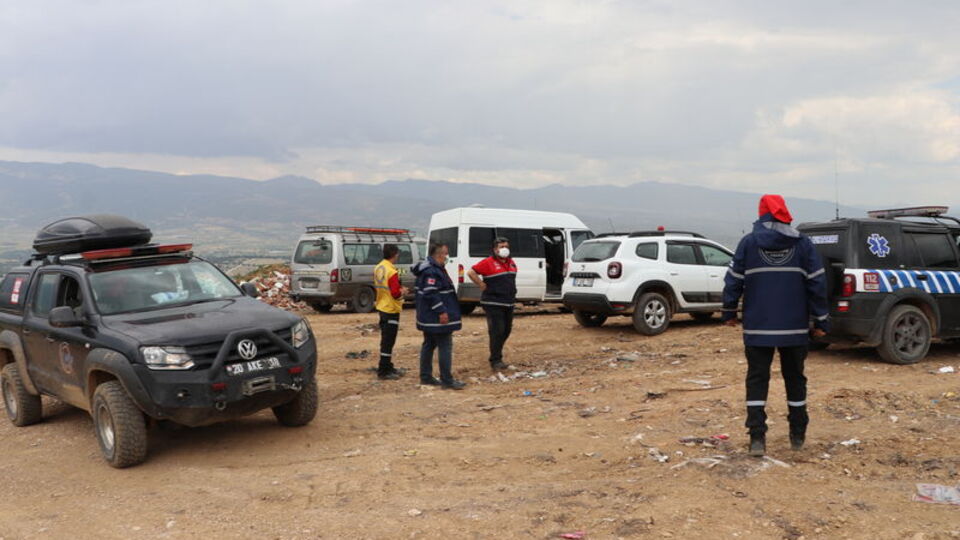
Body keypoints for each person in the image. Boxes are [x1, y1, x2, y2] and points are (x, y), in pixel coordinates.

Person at [722, 194, 829, 457]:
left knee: (757, 379)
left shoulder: (748, 243)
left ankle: (757, 438)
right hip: (795, 329)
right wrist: (821, 320)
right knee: (795, 379)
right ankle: (798, 435)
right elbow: (817, 283)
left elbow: (733, 280)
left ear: (762, 215)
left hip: (758, 328)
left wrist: (729, 311)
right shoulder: (803, 244)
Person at [412, 242, 465, 390]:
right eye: (445, 254)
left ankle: (426, 377)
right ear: (439, 254)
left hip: (428, 317)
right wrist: (441, 311)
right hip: (435, 317)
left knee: (429, 344)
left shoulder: (431, 269)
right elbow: (430, 293)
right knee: (445, 346)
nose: (447, 257)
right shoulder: (432, 271)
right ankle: (446, 380)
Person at [466, 236, 517, 372]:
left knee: (506, 331)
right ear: (495, 249)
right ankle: (495, 360)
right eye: (501, 247)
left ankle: (497, 354)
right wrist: (481, 284)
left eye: (506, 246)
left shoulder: (511, 262)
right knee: (497, 331)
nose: (505, 249)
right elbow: (471, 272)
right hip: (493, 302)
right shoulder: (488, 262)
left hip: (508, 302)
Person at [373, 244, 408, 380]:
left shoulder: (379, 267)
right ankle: (384, 370)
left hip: (382, 305)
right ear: (395, 254)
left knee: (385, 339)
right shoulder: (391, 271)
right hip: (391, 308)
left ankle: (387, 366)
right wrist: (403, 291)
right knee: (389, 341)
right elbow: (395, 293)